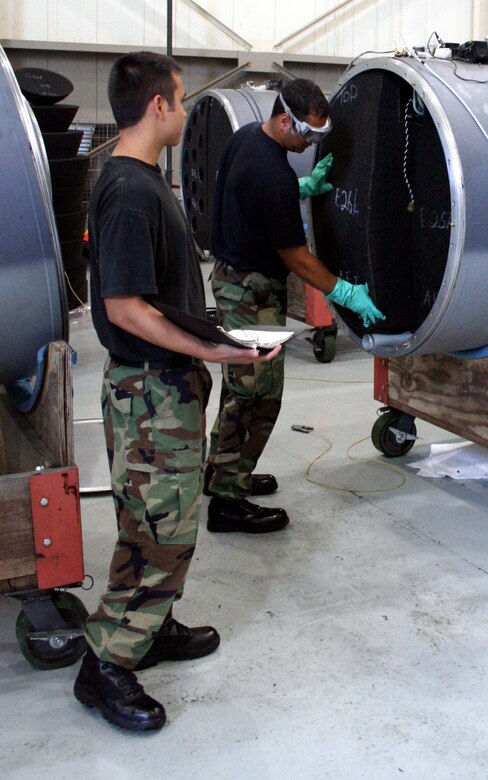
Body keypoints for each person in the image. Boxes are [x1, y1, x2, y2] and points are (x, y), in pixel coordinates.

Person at [73, 51, 281, 732]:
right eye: (183, 98)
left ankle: (150, 626)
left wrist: (217, 338)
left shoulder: (138, 181)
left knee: (172, 523)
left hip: (166, 388)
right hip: (150, 392)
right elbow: (127, 307)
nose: (188, 111)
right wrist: (216, 350)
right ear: (158, 105)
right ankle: (106, 663)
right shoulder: (131, 191)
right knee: (156, 530)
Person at [205, 78, 385, 534]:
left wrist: (301, 187)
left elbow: (247, 198)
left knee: (237, 387)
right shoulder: (273, 174)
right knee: (259, 397)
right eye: (309, 134)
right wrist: (344, 291)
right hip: (252, 293)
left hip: (232, 281)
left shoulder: (247, 137)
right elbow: (298, 259)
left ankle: (223, 472)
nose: (312, 142)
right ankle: (227, 502)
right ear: (285, 118)